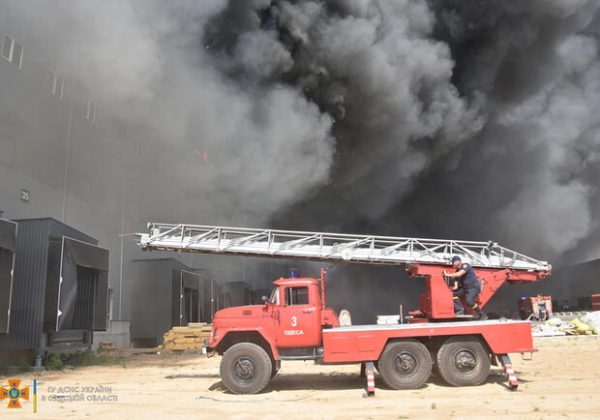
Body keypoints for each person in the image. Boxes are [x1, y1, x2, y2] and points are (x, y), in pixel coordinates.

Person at [443, 255, 487, 320]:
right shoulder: (457, 271)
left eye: (453, 262)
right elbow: (456, 281)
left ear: (458, 262)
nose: (452, 264)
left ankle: (482, 314)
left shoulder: (466, 266)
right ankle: (460, 309)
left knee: (469, 302)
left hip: (473, 287)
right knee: (452, 294)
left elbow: (459, 274)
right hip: (465, 288)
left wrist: (447, 274)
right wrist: (455, 286)